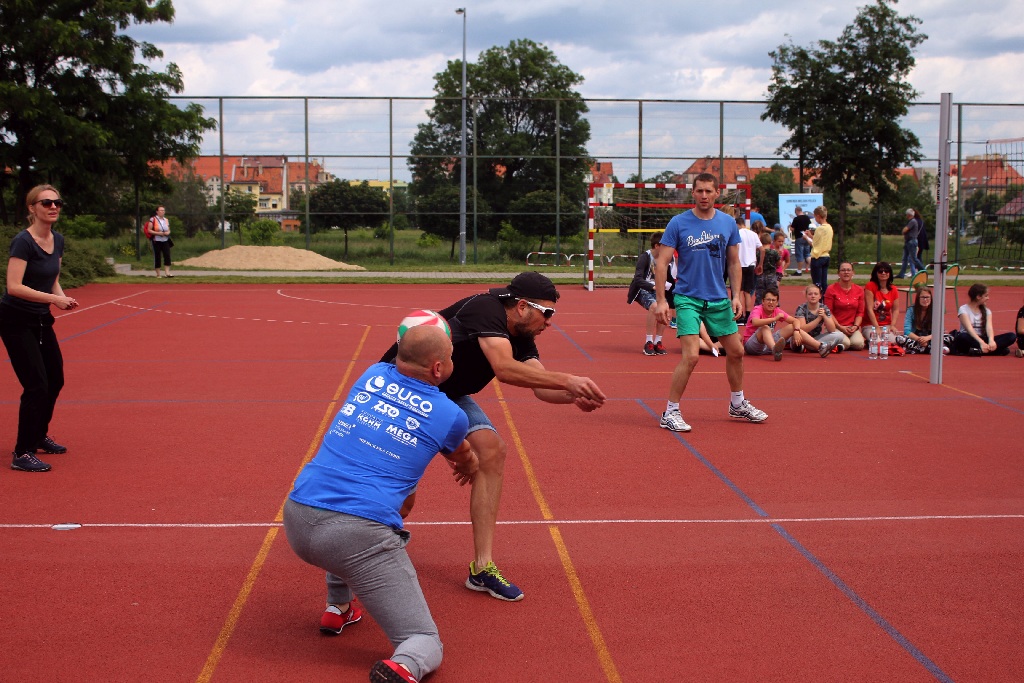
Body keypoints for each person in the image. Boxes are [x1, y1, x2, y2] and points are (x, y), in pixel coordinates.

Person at [379, 272, 606, 601]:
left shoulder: (522, 334)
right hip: (405, 391)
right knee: (402, 501)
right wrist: (569, 380)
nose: (550, 322)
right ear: (524, 307)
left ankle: (482, 568)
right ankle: (367, 548)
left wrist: (574, 397)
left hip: (449, 393)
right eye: (549, 313)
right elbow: (503, 367)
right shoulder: (485, 308)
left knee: (492, 451)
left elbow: (540, 386)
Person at [284, 325, 478, 683]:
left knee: (347, 535)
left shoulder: (372, 373)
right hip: (354, 534)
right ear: (438, 369)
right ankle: (404, 666)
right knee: (424, 640)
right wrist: (470, 465)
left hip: (298, 514)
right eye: (450, 358)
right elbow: (462, 453)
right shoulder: (450, 415)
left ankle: (337, 607)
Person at [653, 172, 768, 432]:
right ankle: (670, 411)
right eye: (699, 191)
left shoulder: (727, 223)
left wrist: (736, 294)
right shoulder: (678, 223)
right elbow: (661, 263)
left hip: (717, 298)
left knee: (736, 351)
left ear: (717, 193)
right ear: (692, 193)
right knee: (691, 356)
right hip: (687, 298)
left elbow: (734, 262)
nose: (704, 195)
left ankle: (737, 403)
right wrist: (661, 300)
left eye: (708, 191)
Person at [0, 185, 78, 473]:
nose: (53, 206)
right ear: (32, 208)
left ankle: (38, 434)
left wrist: (60, 295)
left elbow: (52, 276)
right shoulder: (23, 242)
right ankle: (22, 452)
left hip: (41, 319)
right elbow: (14, 286)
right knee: (36, 384)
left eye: (57, 202)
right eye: (46, 202)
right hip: (15, 320)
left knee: (55, 379)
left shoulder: (57, 240)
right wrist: (54, 299)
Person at [627, 231, 676, 355]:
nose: (667, 249)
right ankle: (648, 341)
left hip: (660, 289)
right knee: (655, 307)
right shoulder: (645, 257)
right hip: (643, 289)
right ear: (657, 246)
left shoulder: (669, 259)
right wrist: (653, 286)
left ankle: (657, 342)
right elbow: (638, 279)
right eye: (664, 246)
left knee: (664, 309)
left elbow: (672, 277)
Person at [953, 283, 1015, 356]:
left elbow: (989, 328)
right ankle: (992, 350)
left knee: (1011, 336)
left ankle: (979, 350)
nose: (988, 298)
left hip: (983, 338)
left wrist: (991, 341)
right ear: (978, 297)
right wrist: (981, 343)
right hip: (971, 338)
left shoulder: (987, 311)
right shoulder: (963, 309)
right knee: (962, 337)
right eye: (986, 296)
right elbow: (969, 329)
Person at [742, 288, 797, 361]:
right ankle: (775, 350)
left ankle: (817, 346)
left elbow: (795, 321)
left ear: (777, 303)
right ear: (763, 301)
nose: (771, 302)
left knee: (792, 327)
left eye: (773, 300)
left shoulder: (777, 311)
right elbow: (755, 322)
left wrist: (796, 331)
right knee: (765, 328)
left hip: (767, 345)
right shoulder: (757, 309)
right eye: (768, 300)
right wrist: (774, 319)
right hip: (752, 346)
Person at [824, 262, 866, 350]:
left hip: (851, 327)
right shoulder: (831, 289)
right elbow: (828, 312)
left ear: (853, 273)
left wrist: (856, 326)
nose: (846, 272)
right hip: (836, 326)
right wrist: (840, 327)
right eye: (843, 270)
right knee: (845, 343)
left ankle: (837, 340)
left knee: (858, 344)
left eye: (848, 270)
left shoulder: (859, 290)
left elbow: (860, 312)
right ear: (838, 273)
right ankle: (829, 338)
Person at [792, 284, 844, 357]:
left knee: (840, 335)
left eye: (816, 294)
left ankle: (814, 348)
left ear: (820, 296)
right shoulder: (801, 308)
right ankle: (826, 347)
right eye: (810, 294)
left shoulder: (824, 308)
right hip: (803, 338)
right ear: (806, 296)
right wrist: (819, 318)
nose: (813, 296)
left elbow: (832, 329)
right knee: (797, 338)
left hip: (817, 338)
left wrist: (824, 316)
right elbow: (803, 329)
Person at [897, 288, 945, 355]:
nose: (925, 300)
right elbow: (907, 331)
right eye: (922, 297)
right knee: (900, 338)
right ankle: (929, 349)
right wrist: (920, 340)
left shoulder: (936, 310)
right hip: (915, 338)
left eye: (927, 297)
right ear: (918, 298)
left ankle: (920, 349)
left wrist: (927, 338)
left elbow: (940, 330)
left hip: (930, 339)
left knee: (947, 337)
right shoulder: (911, 310)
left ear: (931, 298)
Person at [863, 261, 900, 344]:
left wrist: (892, 325)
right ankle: (870, 341)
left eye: (886, 271)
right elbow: (869, 309)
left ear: (890, 273)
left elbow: (895, 310)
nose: (883, 273)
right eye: (880, 271)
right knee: (879, 342)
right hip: (870, 325)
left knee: (896, 341)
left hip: (886, 325)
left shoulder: (893, 289)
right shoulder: (870, 286)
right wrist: (876, 327)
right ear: (876, 273)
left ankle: (870, 341)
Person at [736, 214, 761, 321]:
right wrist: (760, 263)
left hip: (740, 264)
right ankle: (748, 313)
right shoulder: (753, 234)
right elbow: (762, 249)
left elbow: (735, 248)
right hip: (751, 264)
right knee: (748, 291)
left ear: (737, 224)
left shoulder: (736, 233)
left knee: (740, 290)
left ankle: (740, 313)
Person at [808, 206, 833, 295]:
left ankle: (818, 302)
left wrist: (808, 237)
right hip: (826, 256)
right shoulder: (829, 227)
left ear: (818, 216)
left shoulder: (819, 229)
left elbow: (814, 243)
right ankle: (824, 300)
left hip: (818, 257)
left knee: (817, 283)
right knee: (824, 282)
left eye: (815, 217)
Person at [896, 208, 926, 279]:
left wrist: (904, 231)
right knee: (905, 258)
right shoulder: (912, 221)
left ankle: (923, 270)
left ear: (909, 215)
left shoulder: (912, 221)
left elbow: (905, 230)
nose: (906, 216)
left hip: (911, 241)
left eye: (907, 214)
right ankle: (902, 274)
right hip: (908, 241)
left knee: (914, 258)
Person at [753, 231, 779, 306]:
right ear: (770, 241)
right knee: (773, 292)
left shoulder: (757, 253)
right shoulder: (774, 252)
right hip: (771, 275)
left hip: (760, 276)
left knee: (759, 294)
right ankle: (774, 306)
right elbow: (778, 263)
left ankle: (758, 307)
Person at [150, 206, 173, 278]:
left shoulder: (166, 220)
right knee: (157, 256)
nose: (162, 212)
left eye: (163, 210)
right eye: (161, 210)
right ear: (157, 211)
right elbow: (149, 230)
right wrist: (158, 233)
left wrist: (168, 233)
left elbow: (168, 229)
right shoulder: (153, 219)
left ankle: (167, 272)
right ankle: (158, 274)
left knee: (167, 255)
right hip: (156, 240)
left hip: (165, 240)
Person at [790, 206, 812, 275]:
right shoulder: (807, 218)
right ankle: (814, 267)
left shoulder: (796, 219)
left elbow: (792, 229)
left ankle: (799, 271)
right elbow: (810, 227)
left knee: (800, 254)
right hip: (807, 237)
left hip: (799, 238)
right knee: (807, 254)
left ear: (796, 211)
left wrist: (791, 227)